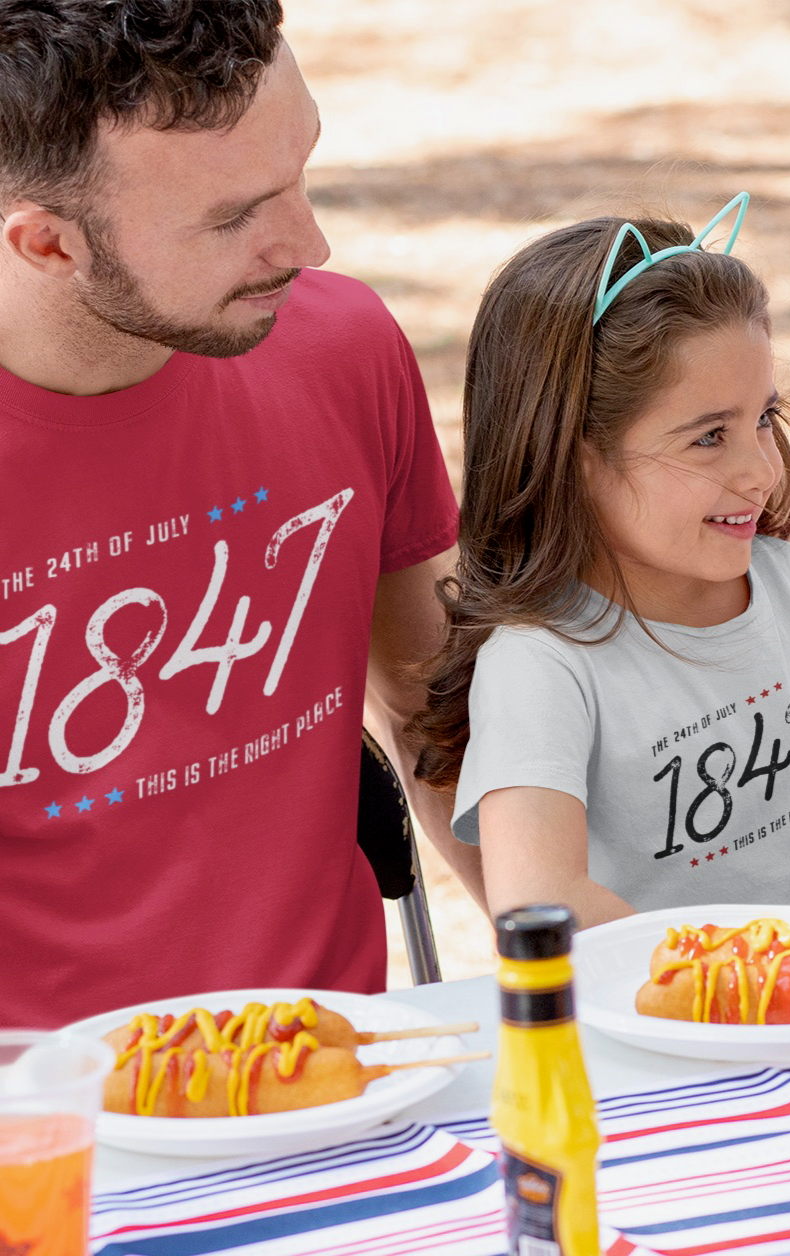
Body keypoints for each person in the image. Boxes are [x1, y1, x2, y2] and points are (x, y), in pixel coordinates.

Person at [0, 0, 482, 1029]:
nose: (311, 244)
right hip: (47, 1105)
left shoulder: (344, 348)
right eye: (233, 218)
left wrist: (573, 962)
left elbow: (437, 710)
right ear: (47, 245)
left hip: (339, 1071)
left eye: (301, 168)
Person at [408, 194, 790, 927]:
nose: (762, 470)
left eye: (764, 418)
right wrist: (726, 979)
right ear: (574, 456)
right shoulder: (542, 663)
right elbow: (541, 896)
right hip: (646, 1001)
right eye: (708, 437)